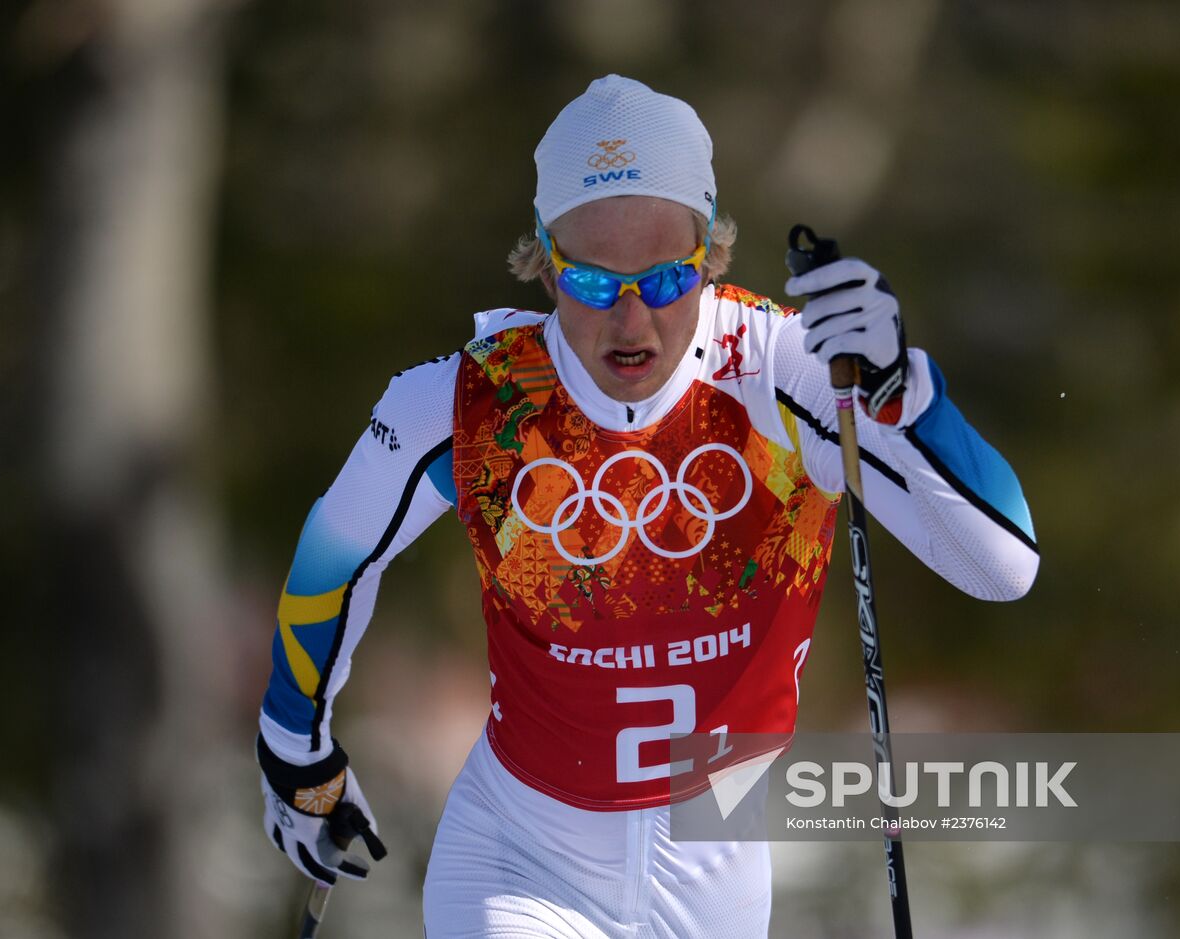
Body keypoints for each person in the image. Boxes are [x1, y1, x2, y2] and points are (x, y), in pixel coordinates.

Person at [256, 74, 1039, 937]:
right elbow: (336, 556)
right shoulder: (473, 402)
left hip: (718, 888)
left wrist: (904, 396)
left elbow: (1003, 567)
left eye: (666, 280)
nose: (633, 323)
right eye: (594, 283)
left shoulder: (783, 374)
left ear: (710, 255)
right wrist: (298, 755)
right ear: (545, 264)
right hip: (520, 863)